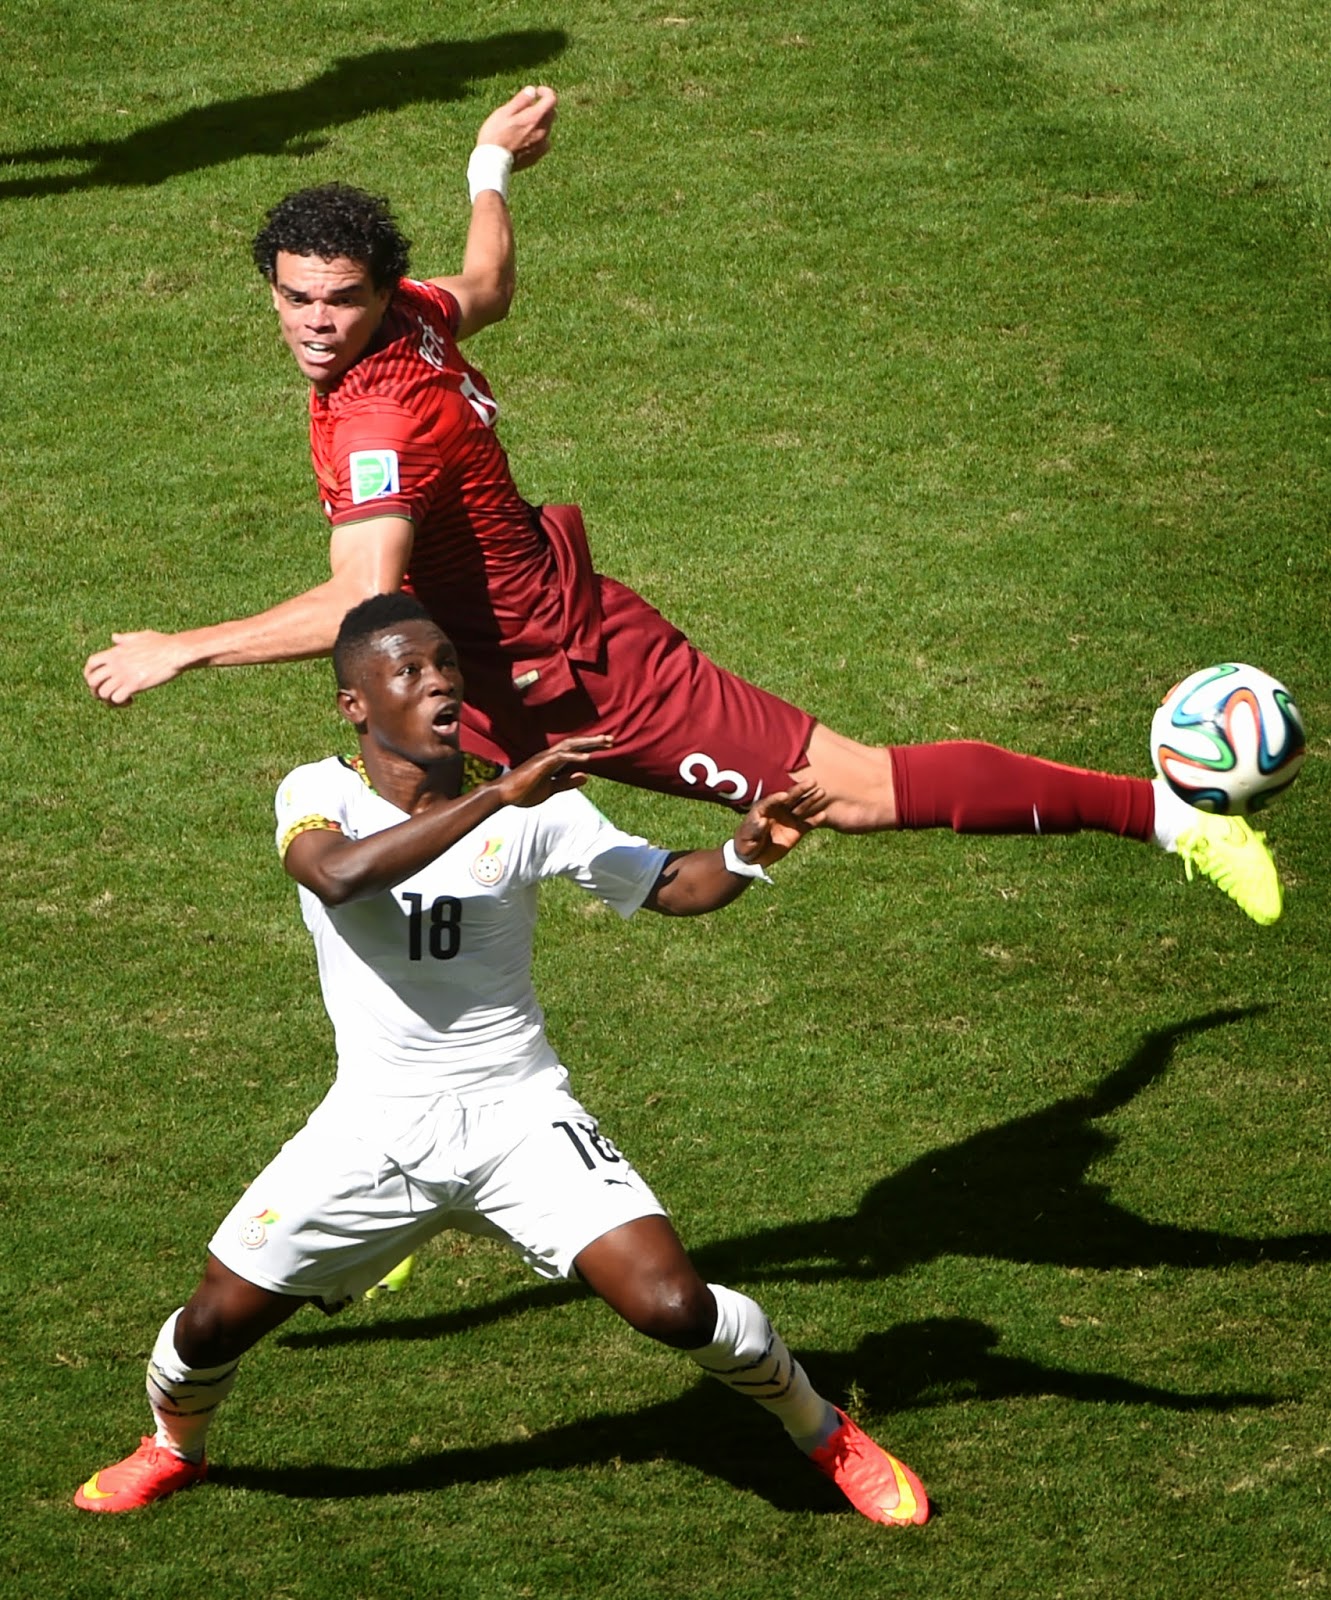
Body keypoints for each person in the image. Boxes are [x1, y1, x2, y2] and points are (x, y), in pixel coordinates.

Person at [81, 86, 1282, 928]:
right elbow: (487, 279)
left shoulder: (375, 419)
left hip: (578, 674)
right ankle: (382, 1190)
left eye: (339, 301)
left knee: (849, 790)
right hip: (468, 679)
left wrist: (181, 649)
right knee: (384, 878)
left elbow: (360, 595)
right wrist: (487, 169)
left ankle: (1174, 820)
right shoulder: (414, 320)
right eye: (294, 299)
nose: (313, 324)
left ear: (381, 294)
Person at [73, 592, 928, 1526]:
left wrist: (746, 849)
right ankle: (174, 1448)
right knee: (209, 1329)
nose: (439, 679)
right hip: (371, 1129)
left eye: (446, 663)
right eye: (409, 670)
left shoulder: (537, 809)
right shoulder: (320, 791)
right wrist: (498, 795)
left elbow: (671, 885)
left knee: (674, 1305)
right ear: (355, 704)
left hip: (520, 1116)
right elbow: (336, 874)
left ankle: (822, 1431)